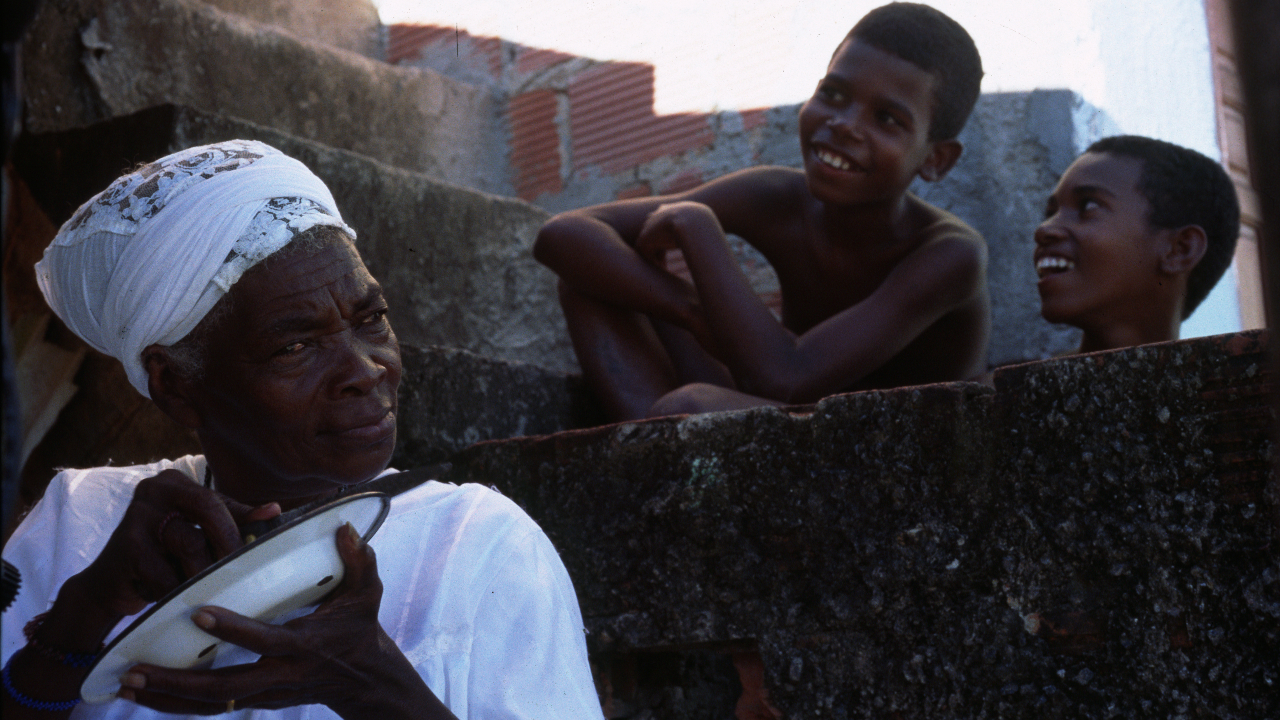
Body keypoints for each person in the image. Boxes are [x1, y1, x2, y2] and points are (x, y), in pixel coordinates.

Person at [1, 140, 603, 719]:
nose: (367, 370)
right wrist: (83, 615)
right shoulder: (79, 522)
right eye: (295, 345)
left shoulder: (477, 542)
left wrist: (371, 688)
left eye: (372, 320)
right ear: (174, 385)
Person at [533, 2, 990, 421]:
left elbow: (785, 378)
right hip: (789, 411)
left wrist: (697, 227)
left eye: (887, 118)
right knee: (593, 279)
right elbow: (563, 235)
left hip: (889, 450)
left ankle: (653, 457)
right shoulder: (776, 195)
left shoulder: (951, 255)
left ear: (936, 159)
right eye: (832, 93)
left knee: (690, 405)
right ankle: (646, 451)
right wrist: (690, 310)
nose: (844, 124)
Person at [1034, 135, 1240, 353]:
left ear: (1179, 250)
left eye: (1088, 206)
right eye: (1050, 213)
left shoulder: (1245, 384)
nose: (1043, 230)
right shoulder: (1010, 387)